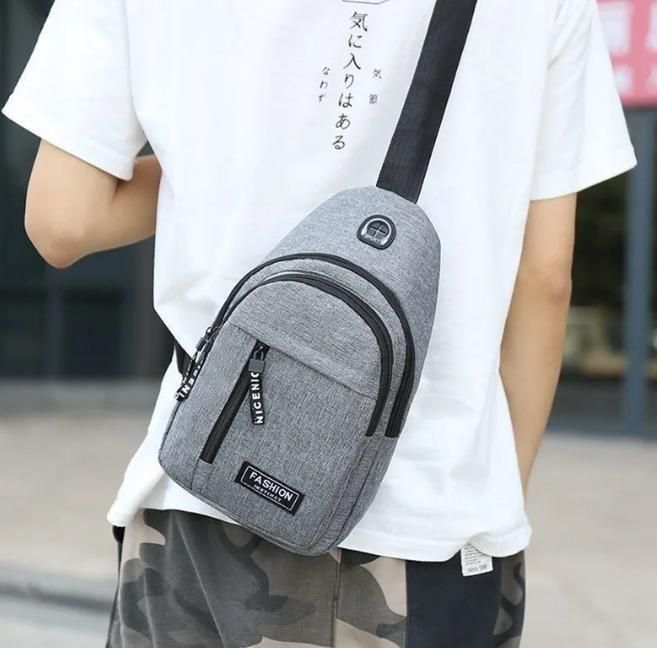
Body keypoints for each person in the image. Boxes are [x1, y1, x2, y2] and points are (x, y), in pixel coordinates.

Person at [3, 0, 636, 646]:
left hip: (197, 489)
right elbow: (544, 278)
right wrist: (491, 490)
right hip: (422, 528)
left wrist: (205, 168)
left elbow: (63, 219)